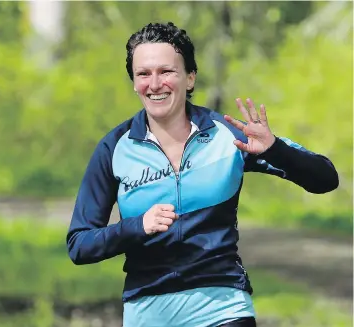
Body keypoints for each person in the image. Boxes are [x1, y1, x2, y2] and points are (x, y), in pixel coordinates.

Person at [66, 22, 339, 327]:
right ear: (134, 82)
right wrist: (137, 226)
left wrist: (274, 149)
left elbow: (326, 178)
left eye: (166, 71)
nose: (155, 84)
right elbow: (80, 244)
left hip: (223, 308)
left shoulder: (228, 134)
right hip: (148, 313)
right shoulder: (115, 148)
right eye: (144, 74)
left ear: (190, 77)